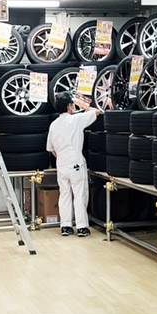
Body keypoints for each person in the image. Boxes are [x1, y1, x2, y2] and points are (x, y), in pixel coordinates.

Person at [46, 92, 102, 237]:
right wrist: (83, 104)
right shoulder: (77, 119)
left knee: (64, 194)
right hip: (75, 162)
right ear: (69, 106)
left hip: (61, 164)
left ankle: (65, 226)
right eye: (72, 104)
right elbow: (97, 111)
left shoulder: (53, 125)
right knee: (80, 194)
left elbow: (51, 149)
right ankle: (82, 227)